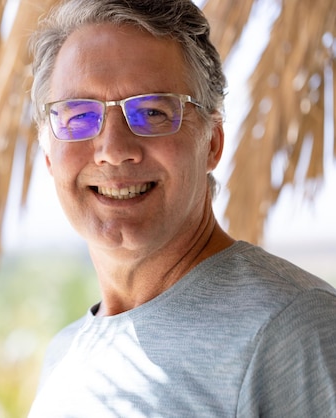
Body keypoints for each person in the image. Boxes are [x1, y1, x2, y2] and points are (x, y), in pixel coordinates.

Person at [26, 0, 336, 416]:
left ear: (212, 143)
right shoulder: (63, 355)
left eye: (152, 112)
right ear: (49, 156)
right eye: (79, 115)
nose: (114, 151)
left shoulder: (291, 327)